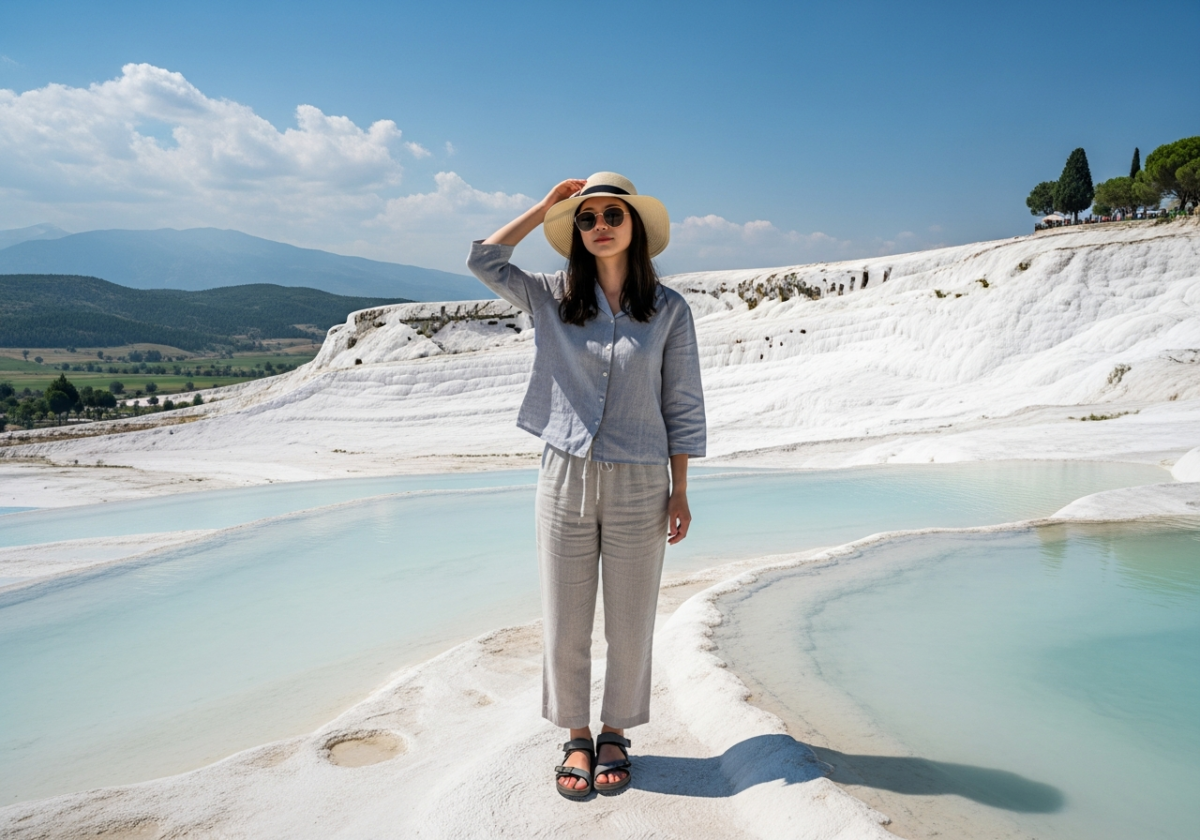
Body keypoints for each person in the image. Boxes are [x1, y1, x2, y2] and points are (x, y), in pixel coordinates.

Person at [467, 172, 706, 799]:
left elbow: (682, 403)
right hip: (563, 473)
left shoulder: (670, 310)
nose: (599, 226)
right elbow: (483, 259)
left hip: (642, 480)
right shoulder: (550, 295)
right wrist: (546, 205)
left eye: (611, 215)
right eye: (587, 217)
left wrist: (680, 490)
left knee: (629, 621)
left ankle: (614, 732)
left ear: (635, 227)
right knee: (565, 618)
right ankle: (576, 736)